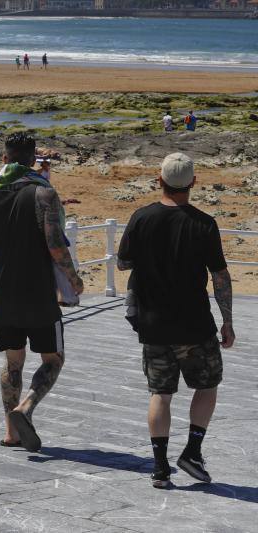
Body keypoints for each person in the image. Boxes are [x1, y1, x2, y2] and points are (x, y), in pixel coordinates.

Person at [0, 133, 84, 453]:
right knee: (53, 359)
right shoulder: (44, 194)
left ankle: (10, 433)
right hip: (39, 293)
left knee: (12, 362)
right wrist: (74, 278)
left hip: (1, 294)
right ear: (33, 161)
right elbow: (56, 245)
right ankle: (25, 408)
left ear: (3, 159)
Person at [117, 152, 234, 489]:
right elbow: (220, 277)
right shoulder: (204, 223)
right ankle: (192, 452)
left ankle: (160, 468)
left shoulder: (141, 218)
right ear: (193, 183)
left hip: (153, 324)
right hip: (195, 324)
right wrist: (227, 321)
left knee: (160, 394)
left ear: (160, 180)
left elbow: (124, 263)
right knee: (207, 386)